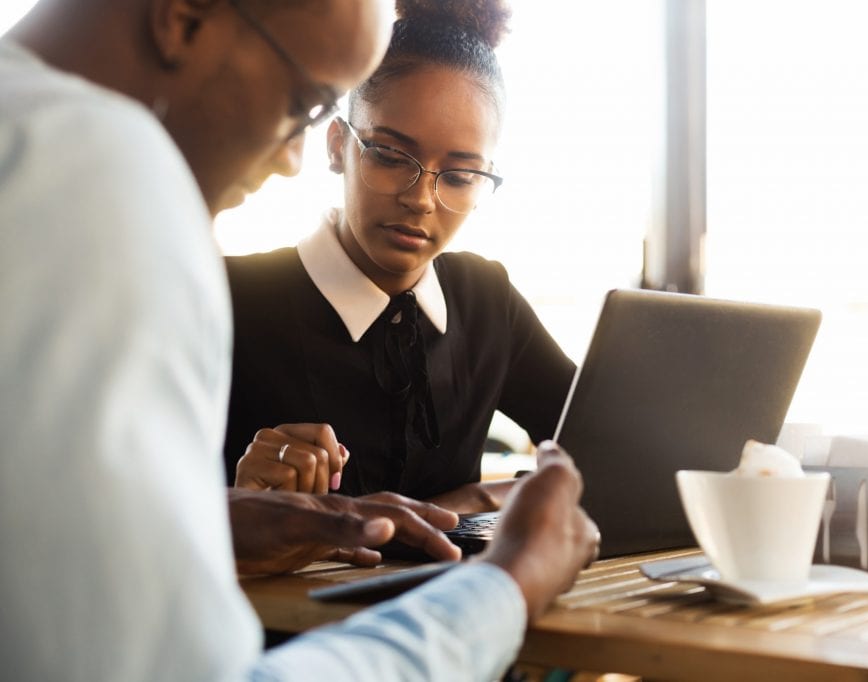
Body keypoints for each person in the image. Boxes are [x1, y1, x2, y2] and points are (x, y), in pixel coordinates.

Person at [0, 0, 600, 678]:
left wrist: (216, 526)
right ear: (185, 17)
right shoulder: (97, 177)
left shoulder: (35, 143)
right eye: (302, 103)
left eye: (459, 175)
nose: (289, 160)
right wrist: (505, 588)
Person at [223, 0, 577, 513]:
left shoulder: (485, 300)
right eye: (390, 156)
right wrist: (234, 502)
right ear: (337, 145)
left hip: (459, 594)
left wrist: (472, 499)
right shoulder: (232, 299)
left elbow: (600, 449)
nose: (421, 199)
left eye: (459, 176)